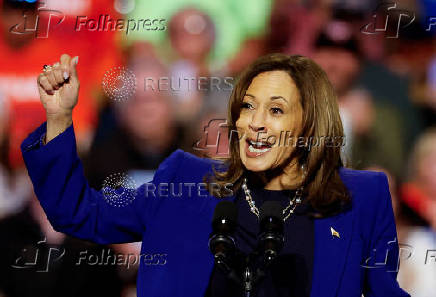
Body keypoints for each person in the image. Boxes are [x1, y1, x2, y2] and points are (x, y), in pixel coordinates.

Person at [21, 53, 410, 297]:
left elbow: (383, 291)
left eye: (275, 111)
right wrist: (58, 118)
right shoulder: (185, 182)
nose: (255, 123)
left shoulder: (361, 197)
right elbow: (78, 212)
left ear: (310, 125)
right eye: (247, 107)